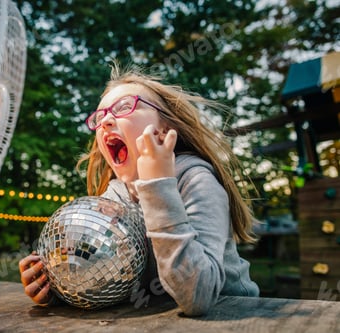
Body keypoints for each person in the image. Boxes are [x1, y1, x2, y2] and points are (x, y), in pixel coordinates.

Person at [19, 63, 260, 316]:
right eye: (99, 117)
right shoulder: (113, 199)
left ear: (165, 129)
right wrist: (60, 288)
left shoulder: (197, 181)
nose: (106, 121)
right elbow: (107, 278)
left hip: (236, 317)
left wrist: (157, 186)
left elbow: (198, 296)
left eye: (124, 107)